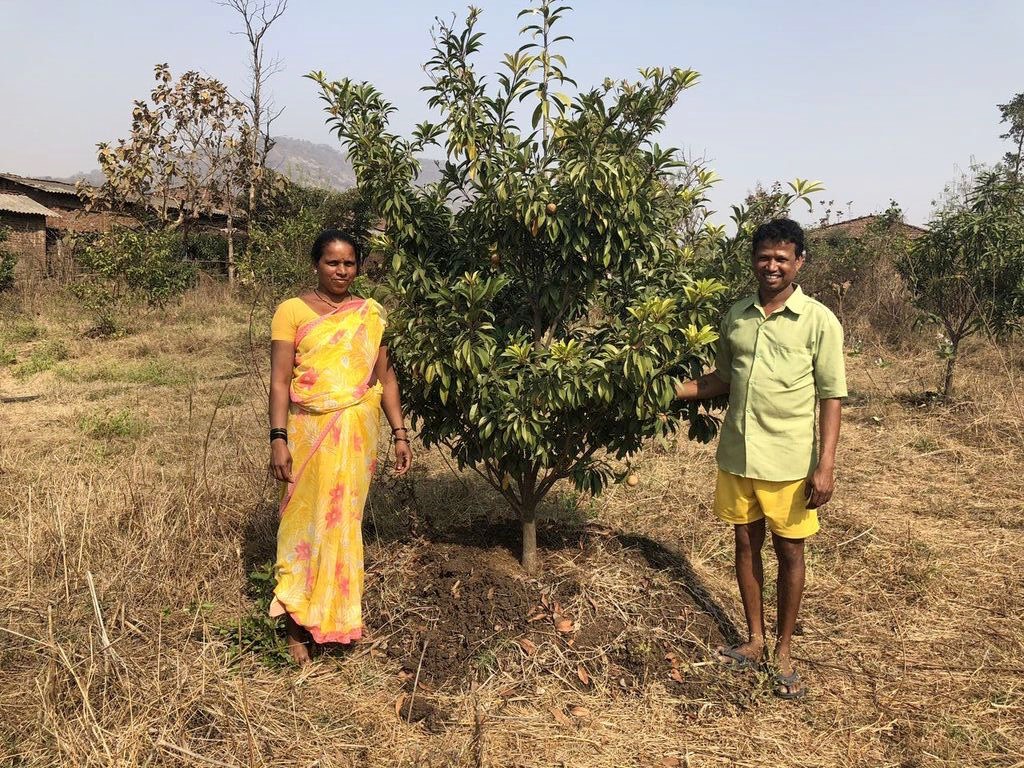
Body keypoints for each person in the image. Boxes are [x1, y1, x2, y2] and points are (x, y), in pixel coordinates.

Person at [673, 218, 846, 699]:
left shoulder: (818, 321)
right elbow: (721, 380)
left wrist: (825, 463)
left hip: (789, 461)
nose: (772, 266)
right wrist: (668, 390)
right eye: (764, 257)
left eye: (782, 259)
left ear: (799, 262)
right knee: (745, 546)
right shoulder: (737, 315)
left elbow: (831, 396)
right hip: (738, 455)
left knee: (790, 551)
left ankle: (784, 650)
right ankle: (754, 639)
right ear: (753, 260)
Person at [268, 229, 412, 665]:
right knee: (303, 525)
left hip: (355, 436)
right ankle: (296, 626)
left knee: (342, 525)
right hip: (308, 434)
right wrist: (278, 439)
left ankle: (336, 620)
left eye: (349, 263)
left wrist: (401, 433)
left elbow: (385, 379)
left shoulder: (370, 314)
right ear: (316, 264)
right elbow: (279, 381)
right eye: (332, 262)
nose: (341, 270)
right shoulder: (290, 311)